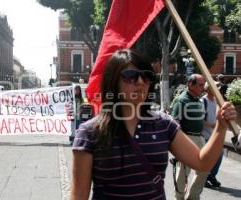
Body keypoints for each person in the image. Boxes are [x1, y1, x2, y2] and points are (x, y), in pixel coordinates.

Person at [70, 49, 236, 200]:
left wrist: (221, 127)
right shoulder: (89, 133)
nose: (141, 82)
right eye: (131, 75)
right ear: (113, 81)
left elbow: (202, 163)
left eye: (146, 76)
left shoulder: (164, 125)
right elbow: (79, 196)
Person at [171, 74, 210, 200]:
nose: (203, 88)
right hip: (187, 138)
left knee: (205, 167)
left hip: (199, 138)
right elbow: (175, 123)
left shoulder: (198, 99)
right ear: (190, 84)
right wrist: (181, 144)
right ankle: (179, 197)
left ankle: (193, 196)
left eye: (203, 85)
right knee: (183, 171)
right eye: (200, 85)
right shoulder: (181, 100)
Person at [201, 81, 223, 188]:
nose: (217, 89)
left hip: (215, 134)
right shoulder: (202, 101)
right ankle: (203, 178)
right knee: (207, 158)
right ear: (208, 89)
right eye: (215, 87)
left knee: (219, 155)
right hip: (204, 135)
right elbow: (199, 120)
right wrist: (212, 125)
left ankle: (211, 176)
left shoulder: (217, 101)